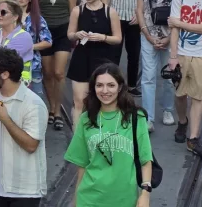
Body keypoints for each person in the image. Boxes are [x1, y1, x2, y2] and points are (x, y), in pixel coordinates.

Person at [64, 63, 153, 207]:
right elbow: (82, 166)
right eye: (99, 85)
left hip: (124, 200)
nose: (105, 90)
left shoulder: (136, 117)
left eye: (111, 85)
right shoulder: (86, 119)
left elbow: (146, 160)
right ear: (93, 88)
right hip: (89, 199)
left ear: (120, 87)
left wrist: (145, 193)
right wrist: (75, 202)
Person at [0, 48, 48, 207]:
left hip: (24, 192)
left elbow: (31, 145)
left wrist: (6, 120)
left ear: (5, 74)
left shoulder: (33, 104)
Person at [135, 0, 184, 131]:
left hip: (171, 35)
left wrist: (170, 36)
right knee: (148, 77)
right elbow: (139, 10)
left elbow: (182, 11)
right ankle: (148, 117)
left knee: (169, 75)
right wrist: (146, 33)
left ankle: (168, 110)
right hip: (148, 34)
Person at [68, 0, 123, 126]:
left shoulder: (109, 12)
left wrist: (103, 37)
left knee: (103, 101)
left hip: (103, 60)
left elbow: (118, 38)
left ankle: (103, 133)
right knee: (79, 101)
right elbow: (70, 34)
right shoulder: (77, 10)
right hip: (81, 58)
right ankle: (77, 140)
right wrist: (76, 35)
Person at [167, 0, 202, 152]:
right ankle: (182, 121)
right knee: (180, 94)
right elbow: (173, 29)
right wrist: (173, 56)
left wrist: (181, 24)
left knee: (197, 96)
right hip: (181, 53)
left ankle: (193, 137)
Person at [36, 0, 77, 130]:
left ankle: (57, 111)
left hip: (62, 32)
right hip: (45, 33)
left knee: (59, 73)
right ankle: (52, 106)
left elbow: (73, 11)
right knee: (48, 73)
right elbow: (34, 13)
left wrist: (73, 34)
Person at [107, 0, 145, 94]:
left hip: (134, 18)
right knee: (113, 54)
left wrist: (141, 14)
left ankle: (131, 86)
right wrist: (106, 11)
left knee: (134, 54)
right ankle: (113, 83)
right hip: (116, 17)